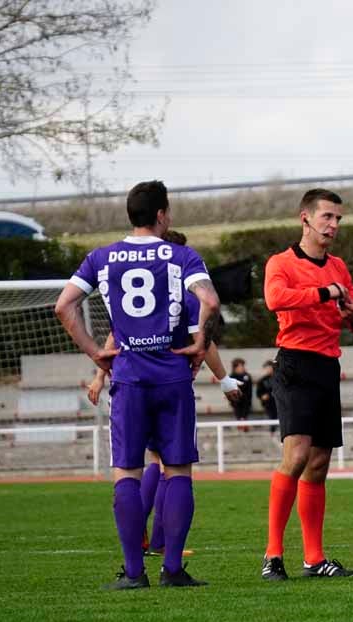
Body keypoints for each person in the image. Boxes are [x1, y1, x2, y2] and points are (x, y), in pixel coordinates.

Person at [56, 180, 223, 590]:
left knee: (127, 474)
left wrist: (96, 352)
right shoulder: (182, 255)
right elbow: (211, 301)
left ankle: (133, 573)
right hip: (172, 375)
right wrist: (200, 341)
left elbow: (63, 306)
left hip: (128, 377)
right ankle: (173, 570)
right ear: (162, 214)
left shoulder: (101, 257)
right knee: (178, 470)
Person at [85, 228, 241, 560]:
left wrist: (100, 374)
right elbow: (205, 337)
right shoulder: (182, 286)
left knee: (135, 467)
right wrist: (225, 381)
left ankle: (138, 548)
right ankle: (161, 546)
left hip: (129, 383)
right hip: (170, 383)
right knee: (173, 467)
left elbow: (114, 338)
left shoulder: (118, 267)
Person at [261, 188, 353, 581]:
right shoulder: (281, 262)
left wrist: (352, 313)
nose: (334, 225)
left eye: (338, 218)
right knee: (297, 456)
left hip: (327, 367)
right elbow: (275, 299)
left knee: (319, 464)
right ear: (304, 218)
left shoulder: (339, 267)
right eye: (327, 217)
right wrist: (326, 293)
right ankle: (273, 555)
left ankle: (314, 558)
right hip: (294, 364)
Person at [230, 358, 254, 425]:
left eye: (243, 366)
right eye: (241, 366)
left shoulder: (247, 376)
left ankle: (244, 421)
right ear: (235, 368)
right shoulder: (231, 377)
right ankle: (240, 422)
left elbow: (249, 391)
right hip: (236, 401)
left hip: (246, 401)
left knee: (245, 412)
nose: (243, 368)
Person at [256, 360, 278, 432]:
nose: (268, 370)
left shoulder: (279, 378)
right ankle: (272, 431)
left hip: (279, 402)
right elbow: (259, 393)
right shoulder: (262, 380)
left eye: (269, 368)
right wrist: (263, 396)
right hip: (269, 404)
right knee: (272, 417)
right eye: (266, 368)